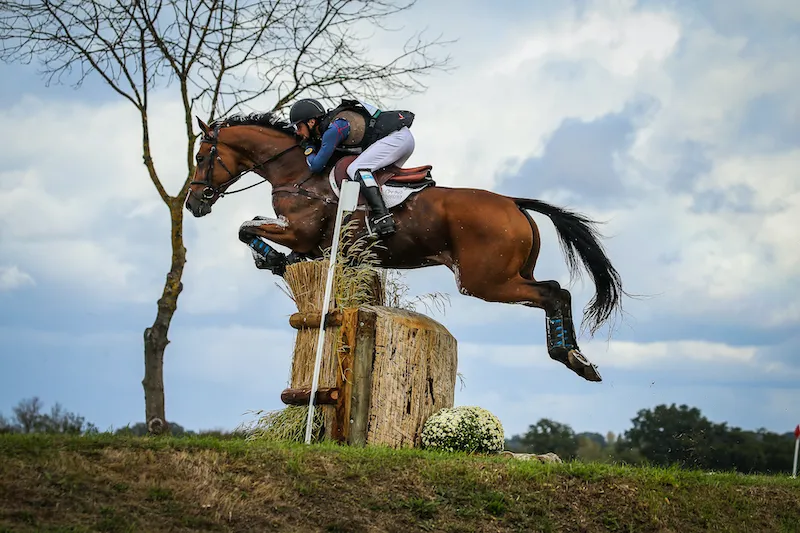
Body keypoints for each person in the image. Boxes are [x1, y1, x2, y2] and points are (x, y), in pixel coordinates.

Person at [288, 97, 416, 238]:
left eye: (299, 127)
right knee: (375, 178)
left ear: (311, 122)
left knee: (356, 169)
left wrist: (310, 149)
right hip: (400, 138)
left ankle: (382, 217)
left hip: (398, 138)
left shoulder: (333, 130)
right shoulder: (330, 126)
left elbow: (317, 166)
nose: (298, 132)